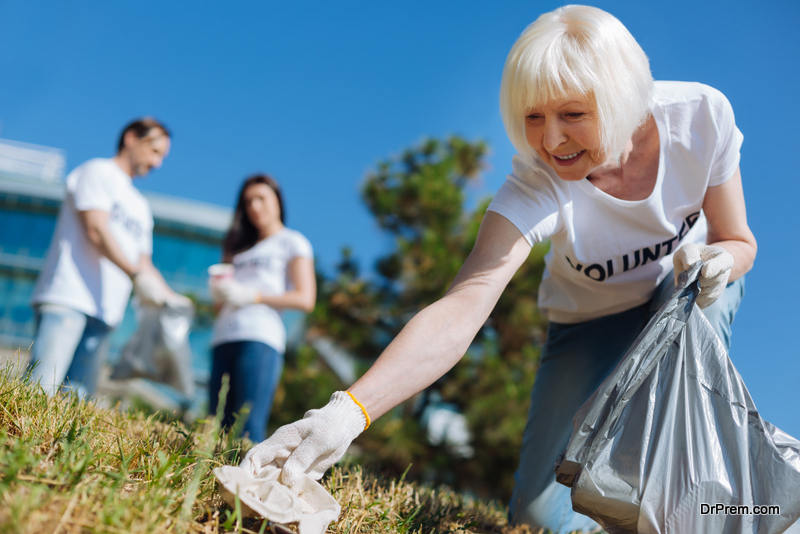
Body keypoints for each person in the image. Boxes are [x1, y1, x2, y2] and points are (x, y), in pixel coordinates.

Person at [238, 6, 757, 533]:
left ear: (621, 96)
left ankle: (695, 502)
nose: (551, 141)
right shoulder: (539, 182)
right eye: (534, 117)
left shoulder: (700, 117)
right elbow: (464, 305)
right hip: (587, 321)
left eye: (572, 114)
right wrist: (347, 413)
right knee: (535, 522)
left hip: (681, 300)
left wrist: (720, 260)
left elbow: (738, 240)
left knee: (694, 300)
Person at [29, 118, 187, 398]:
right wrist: (135, 275)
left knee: (73, 408)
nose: (158, 163)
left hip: (105, 314)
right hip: (69, 300)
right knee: (38, 392)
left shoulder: (140, 206)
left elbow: (144, 264)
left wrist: (171, 298)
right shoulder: (96, 172)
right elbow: (96, 229)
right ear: (131, 138)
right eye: (155, 151)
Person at [208, 174, 316, 443]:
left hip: (260, 338)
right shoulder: (236, 248)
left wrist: (254, 296)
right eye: (248, 202)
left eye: (261, 199)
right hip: (224, 336)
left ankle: (247, 482)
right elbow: (219, 306)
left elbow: (305, 298)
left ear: (278, 201)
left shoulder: (292, 242)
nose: (254, 207)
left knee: (247, 424)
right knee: (217, 423)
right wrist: (219, 294)